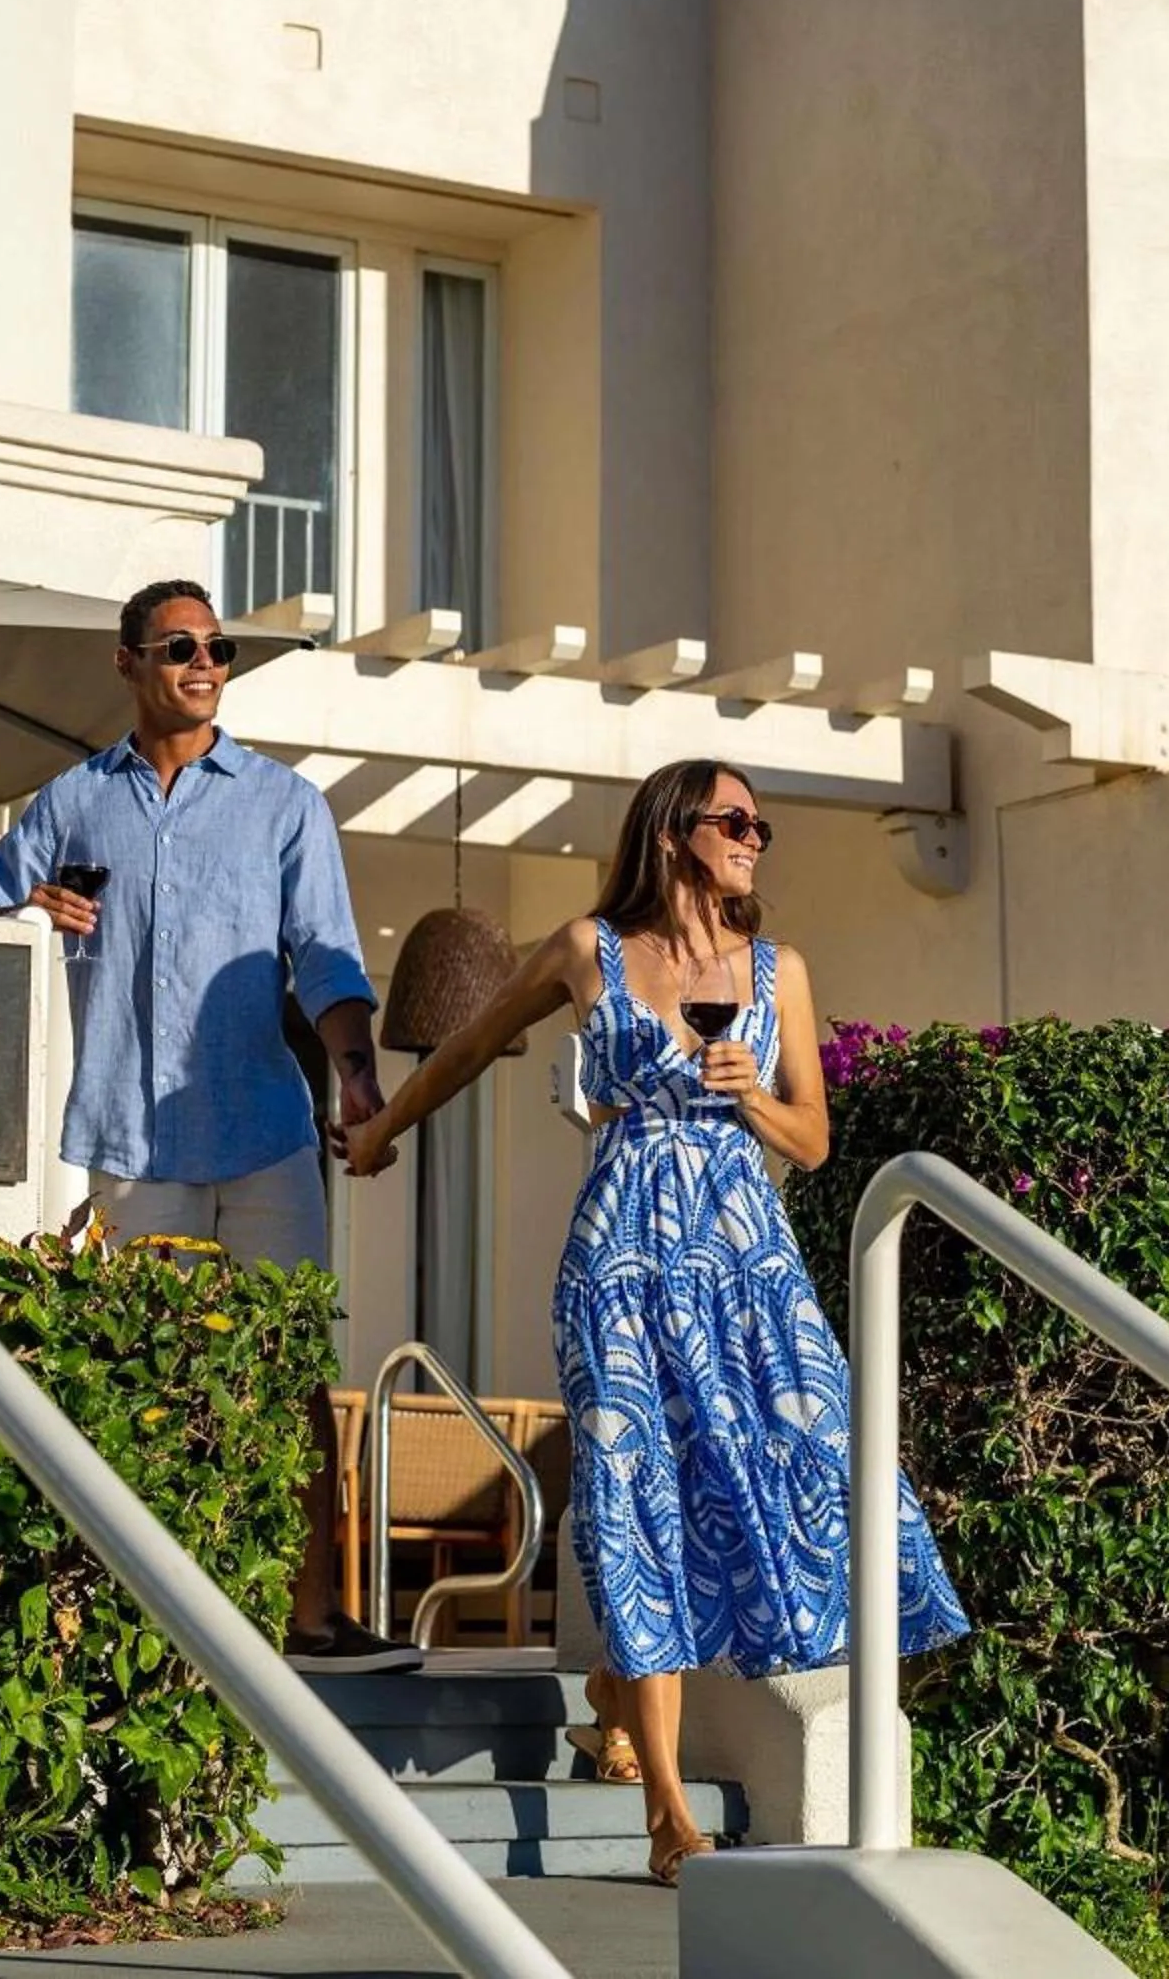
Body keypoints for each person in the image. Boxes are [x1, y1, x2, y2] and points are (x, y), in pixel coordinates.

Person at [344, 758, 968, 1882]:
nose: (754, 840)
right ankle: (669, 1814)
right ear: (677, 832)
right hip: (621, 1263)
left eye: (762, 826)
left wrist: (752, 1092)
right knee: (640, 1501)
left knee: (817, 1454)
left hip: (746, 1267)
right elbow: (476, 1042)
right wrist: (384, 1126)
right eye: (736, 822)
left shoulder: (779, 971)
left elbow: (815, 1143)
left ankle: (618, 1697)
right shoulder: (591, 950)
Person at [0, 577, 417, 1673]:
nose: (204, 662)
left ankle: (308, 1617)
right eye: (178, 646)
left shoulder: (284, 804)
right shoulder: (69, 804)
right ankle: (165, 1623)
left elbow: (330, 957)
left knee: (291, 1373)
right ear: (127, 663)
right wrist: (26, 913)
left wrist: (356, 1074)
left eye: (219, 646)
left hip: (263, 1138)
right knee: (154, 1380)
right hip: (130, 1145)